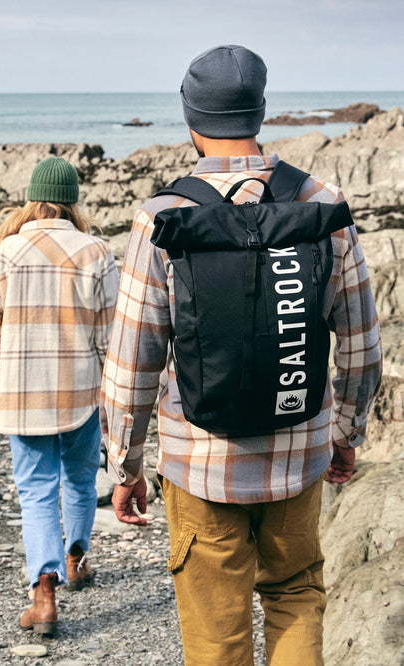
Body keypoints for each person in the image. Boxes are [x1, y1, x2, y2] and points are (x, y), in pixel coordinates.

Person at [100, 45, 382, 665]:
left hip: (201, 464)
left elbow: (133, 361)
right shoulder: (320, 205)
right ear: (258, 111)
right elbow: (360, 343)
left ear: (190, 118)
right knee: (296, 594)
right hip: (298, 451)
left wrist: (125, 465)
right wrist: (345, 433)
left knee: (216, 632)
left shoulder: (164, 216)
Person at [0, 156, 119, 636]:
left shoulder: (1, 253)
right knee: (79, 481)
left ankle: (44, 594)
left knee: (35, 492)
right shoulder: (97, 251)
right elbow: (110, 334)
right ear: (73, 200)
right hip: (80, 392)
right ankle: (77, 560)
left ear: (33, 199)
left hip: (21, 394)